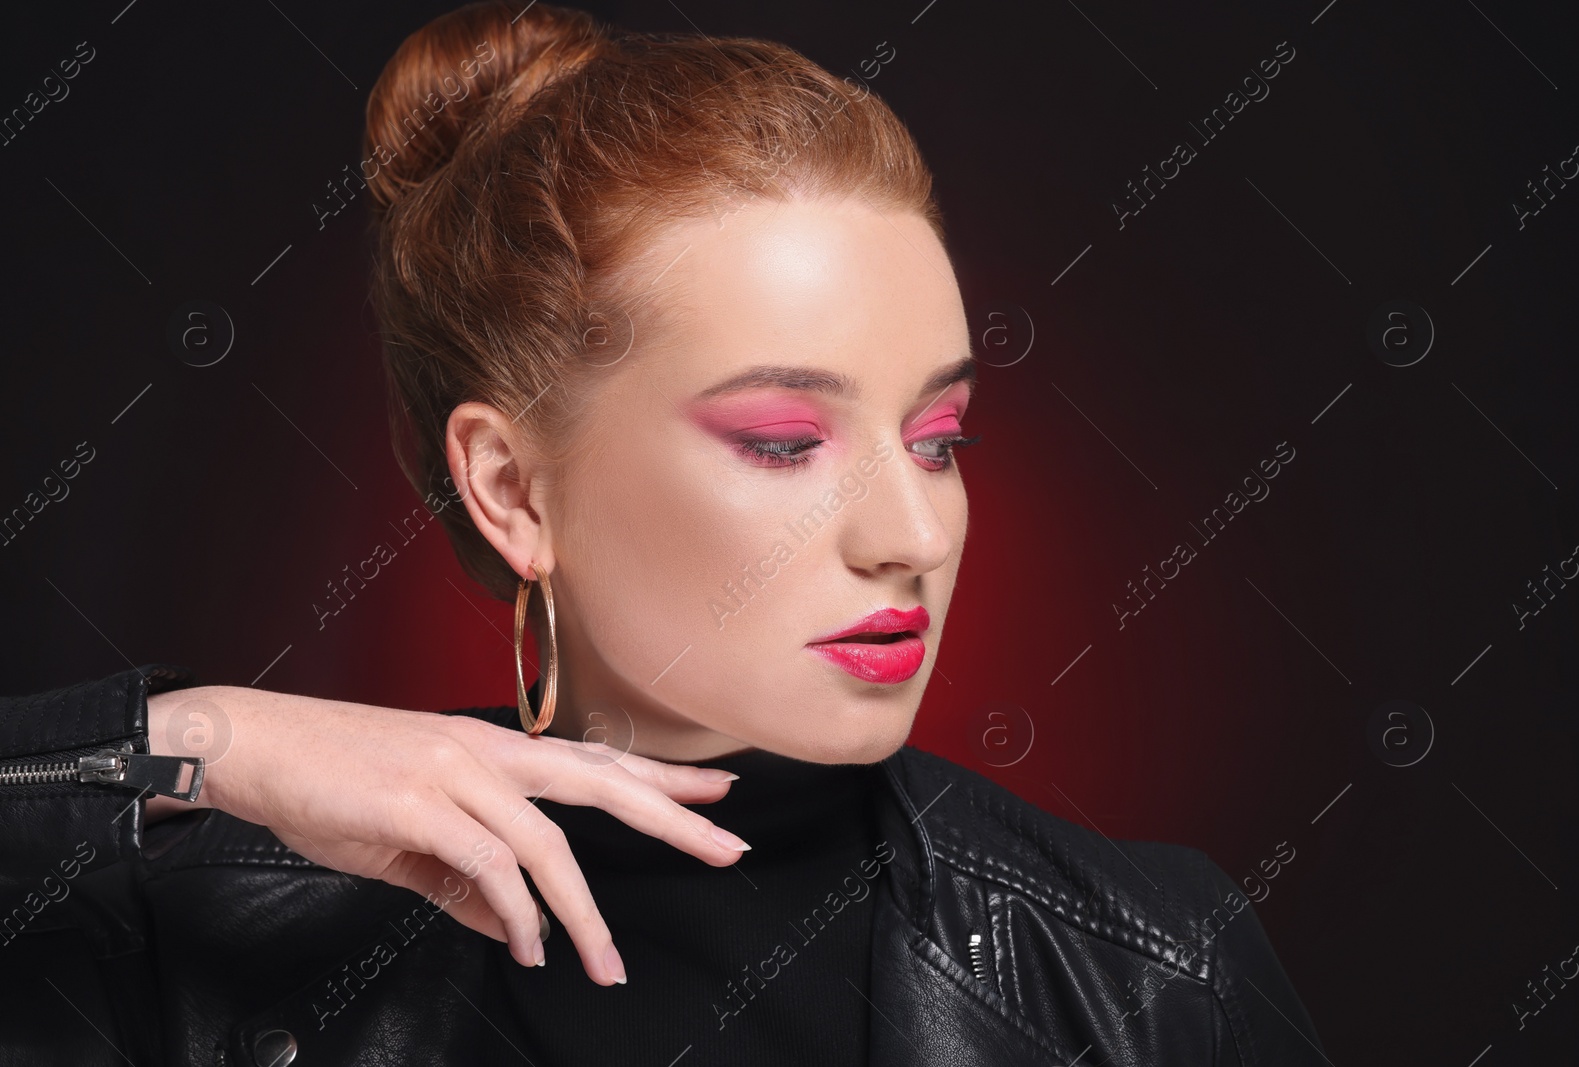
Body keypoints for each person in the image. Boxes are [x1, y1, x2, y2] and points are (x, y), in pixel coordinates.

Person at [0, 2, 1327, 1063]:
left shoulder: (1152, 976)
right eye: (784, 441)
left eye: (939, 440)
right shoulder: (189, 945)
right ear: (514, 491)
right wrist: (188, 742)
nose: (911, 530)